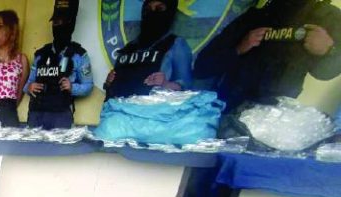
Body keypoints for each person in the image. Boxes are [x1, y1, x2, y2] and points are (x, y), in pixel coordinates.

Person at [194, 0, 341, 111]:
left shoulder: (327, 16)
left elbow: (325, 73)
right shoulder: (255, 14)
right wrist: (240, 48)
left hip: (272, 118)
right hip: (227, 108)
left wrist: (328, 49)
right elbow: (202, 68)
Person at [24, 0, 93, 129]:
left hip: (61, 115)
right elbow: (27, 84)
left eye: (63, 22)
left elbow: (88, 86)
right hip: (37, 113)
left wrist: (72, 87)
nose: (58, 26)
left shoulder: (79, 55)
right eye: (56, 22)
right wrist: (30, 87)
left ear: (71, 24)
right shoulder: (41, 54)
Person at [103, 0, 192, 100]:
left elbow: (186, 89)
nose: (152, 13)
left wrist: (165, 84)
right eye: (148, 9)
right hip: (121, 108)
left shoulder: (176, 44)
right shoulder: (130, 47)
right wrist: (109, 83)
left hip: (156, 108)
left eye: (159, 9)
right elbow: (113, 89)